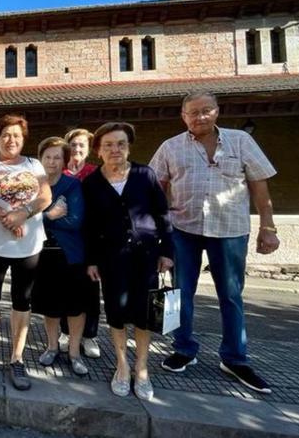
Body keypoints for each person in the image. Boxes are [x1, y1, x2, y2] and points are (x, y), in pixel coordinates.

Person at [150, 91, 279, 394]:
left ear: (217, 111)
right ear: (183, 116)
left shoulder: (241, 141)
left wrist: (268, 227)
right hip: (184, 229)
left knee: (231, 295)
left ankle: (235, 358)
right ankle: (183, 348)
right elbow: (156, 188)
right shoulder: (170, 147)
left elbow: (260, 185)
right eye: (193, 112)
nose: (200, 117)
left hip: (230, 230)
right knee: (180, 292)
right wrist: (158, 228)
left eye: (206, 110)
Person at [83, 122, 173, 401]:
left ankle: (142, 368)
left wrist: (167, 252)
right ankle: (122, 366)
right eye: (108, 145)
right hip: (111, 259)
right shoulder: (92, 183)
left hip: (146, 257)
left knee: (144, 315)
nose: (115, 150)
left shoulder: (144, 174)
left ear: (128, 147)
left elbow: (163, 214)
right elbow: (89, 226)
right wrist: (92, 261)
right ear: (98, 150)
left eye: (121, 144)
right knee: (117, 312)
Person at [0, 114, 52, 391]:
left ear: (23, 138)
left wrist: (24, 214)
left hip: (28, 247)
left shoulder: (34, 164)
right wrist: (8, 215)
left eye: (16, 135)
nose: (11, 140)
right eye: (5, 135)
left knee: (22, 301)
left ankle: (17, 359)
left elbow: (45, 196)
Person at [32, 137, 89, 376]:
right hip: (42, 254)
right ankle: (52, 346)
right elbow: (23, 219)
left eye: (57, 157)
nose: (52, 161)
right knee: (50, 306)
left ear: (64, 160)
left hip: (71, 254)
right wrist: (50, 215)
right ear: (40, 159)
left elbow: (75, 221)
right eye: (48, 156)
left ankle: (74, 352)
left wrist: (40, 217)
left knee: (75, 307)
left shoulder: (72, 185)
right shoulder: (33, 185)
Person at [60, 128, 102, 359]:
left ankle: (90, 335)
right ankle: (66, 332)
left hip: (89, 241)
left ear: (88, 149)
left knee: (90, 289)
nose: (77, 149)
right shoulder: (60, 172)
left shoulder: (95, 173)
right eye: (74, 145)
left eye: (82, 146)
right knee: (67, 288)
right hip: (65, 241)